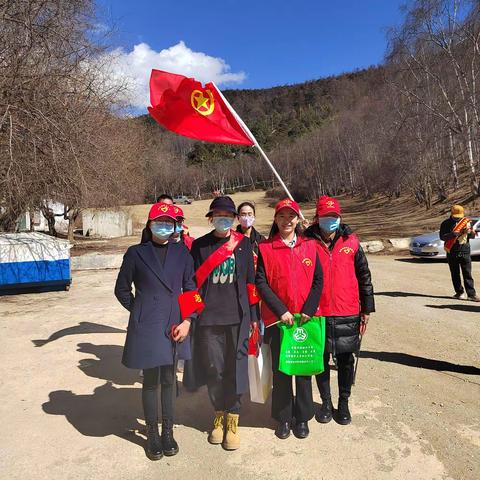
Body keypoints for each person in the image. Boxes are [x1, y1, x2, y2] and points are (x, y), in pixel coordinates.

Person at [114, 202, 203, 461]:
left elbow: (192, 291)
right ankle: (151, 432)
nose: (164, 227)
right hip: (148, 327)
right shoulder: (135, 253)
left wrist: (188, 321)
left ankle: (167, 431)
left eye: (169, 223)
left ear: (175, 226)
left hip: (175, 323)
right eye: (159, 222)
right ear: (150, 224)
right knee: (151, 381)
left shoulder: (183, 254)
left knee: (168, 380)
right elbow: (121, 289)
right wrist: (139, 311)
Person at [188, 196, 259, 451]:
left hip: (238, 319)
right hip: (208, 320)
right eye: (218, 215)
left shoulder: (243, 244)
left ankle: (233, 419)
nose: (223, 219)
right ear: (210, 218)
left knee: (236, 369)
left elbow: (251, 285)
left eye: (228, 216)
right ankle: (218, 414)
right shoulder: (199, 246)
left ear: (234, 219)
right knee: (214, 369)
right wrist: (190, 316)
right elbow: (190, 285)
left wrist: (254, 318)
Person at [255, 198, 323, 440]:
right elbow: (261, 283)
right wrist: (280, 310)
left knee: (303, 369)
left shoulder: (310, 246)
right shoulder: (265, 248)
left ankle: (302, 417)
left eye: (291, 216)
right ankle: (283, 418)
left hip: (305, 319)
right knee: (282, 370)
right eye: (281, 216)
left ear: (298, 219)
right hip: (278, 320)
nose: (287, 221)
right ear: (275, 219)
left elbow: (318, 281)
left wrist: (310, 307)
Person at [304, 195, 375, 426]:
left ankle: (343, 402)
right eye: (326, 216)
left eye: (334, 216)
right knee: (321, 359)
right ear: (317, 217)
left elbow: (364, 276)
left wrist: (367, 308)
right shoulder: (306, 241)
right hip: (318, 311)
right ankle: (325, 402)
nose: (330, 220)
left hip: (348, 310)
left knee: (345, 360)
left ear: (340, 217)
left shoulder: (351, 241)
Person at [440, 204, 479, 302]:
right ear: (451, 213)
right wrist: (453, 234)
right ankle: (459, 292)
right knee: (455, 273)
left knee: (467, 274)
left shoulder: (466, 222)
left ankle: (472, 294)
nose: (458, 219)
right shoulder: (445, 223)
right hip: (452, 250)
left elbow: (471, 237)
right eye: (456, 216)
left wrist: (471, 232)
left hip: (465, 250)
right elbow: (442, 237)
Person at [236, 201, 265, 267]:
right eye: (243, 214)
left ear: (254, 217)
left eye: (249, 214)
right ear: (238, 217)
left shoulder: (261, 240)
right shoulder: (232, 240)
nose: (246, 218)